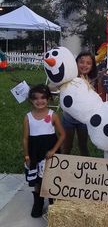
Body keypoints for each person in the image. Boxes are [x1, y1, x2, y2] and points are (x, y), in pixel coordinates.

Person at [22, 84, 65, 218]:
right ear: (31, 100)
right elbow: (25, 139)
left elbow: (62, 135)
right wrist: (27, 156)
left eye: (43, 98)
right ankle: (38, 203)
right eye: (35, 98)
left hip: (50, 153)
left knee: (50, 178)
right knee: (37, 181)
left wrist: (53, 150)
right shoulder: (28, 117)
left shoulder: (53, 115)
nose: (39, 101)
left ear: (49, 99)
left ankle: (53, 202)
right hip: (35, 152)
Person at [61, 51, 98, 155]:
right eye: (81, 62)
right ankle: (62, 168)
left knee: (83, 145)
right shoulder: (68, 77)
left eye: (88, 63)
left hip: (83, 120)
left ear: (92, 66)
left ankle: (86, 168)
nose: (84, 65)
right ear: (76, 63)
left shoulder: (94, 80)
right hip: (68, 119)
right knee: (66, 146)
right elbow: (54, 86)